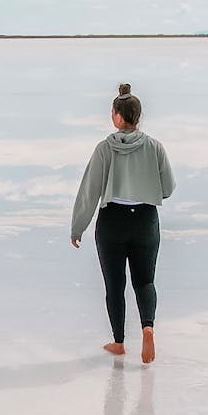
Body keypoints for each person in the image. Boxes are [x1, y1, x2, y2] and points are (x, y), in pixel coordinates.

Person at [70, 83, 175, 363]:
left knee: (115, 285)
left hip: (112, 221)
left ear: (117, 115)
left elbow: (90, 191)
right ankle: (148, 328)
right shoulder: (154, 147)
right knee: (145, 281)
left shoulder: (105, 149)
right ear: (138, 116)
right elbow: (167, 188)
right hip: (144, 219)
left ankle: (119, 342)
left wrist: (77, 225)